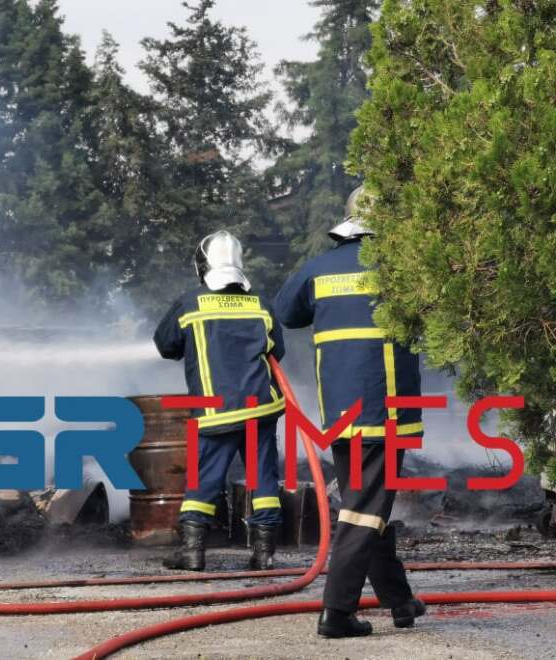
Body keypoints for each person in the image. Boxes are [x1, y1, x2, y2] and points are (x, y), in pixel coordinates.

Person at [274, 186, 426, 638]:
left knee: (368, 506)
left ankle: (400, 602)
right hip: (387, 411)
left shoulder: (319, 269)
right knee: (364, 510)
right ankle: (336, 612)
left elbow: (286, 311)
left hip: (341, 414)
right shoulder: (400, 269)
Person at [154, 230, 286, 571]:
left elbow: (166, 344)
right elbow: (277, 352)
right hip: (261, 407)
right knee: (263, 479)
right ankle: (265, 554)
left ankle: (193, 552)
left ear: (203, 265)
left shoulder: (190, 303)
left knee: (205, 478)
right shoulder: (261, 303)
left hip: (216, 411)